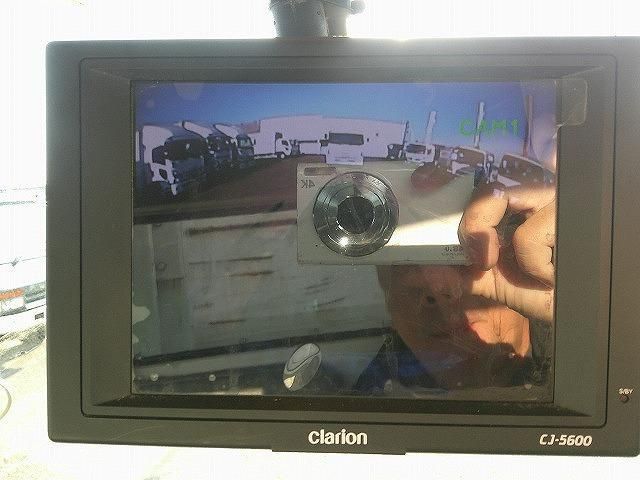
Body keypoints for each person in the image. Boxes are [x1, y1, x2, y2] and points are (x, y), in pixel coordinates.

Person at [366, 163, 555, 392]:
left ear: (519, 256)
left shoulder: (581, 345)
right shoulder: (357, 400)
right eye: (403, 259)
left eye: (461, 252)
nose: (436, 286)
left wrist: (576, 301)